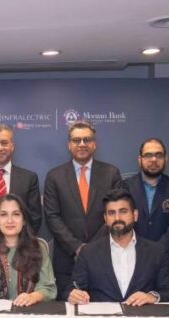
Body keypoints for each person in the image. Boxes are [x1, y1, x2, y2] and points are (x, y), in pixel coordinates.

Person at [43, 120, 124, 299]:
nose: (81, 144)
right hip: (66, 259)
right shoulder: (54, 176)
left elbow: (116, 214)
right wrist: (77, 247)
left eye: (86, 140)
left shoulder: (111, 173)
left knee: (104, 307)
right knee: (68, 306)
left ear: (94, 144)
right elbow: (52, 216)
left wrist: (92, 248)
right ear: (69, 145)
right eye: (76, 140)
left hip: (105, 255)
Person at [67, 189, 169, 305]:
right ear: (105, 218)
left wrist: (152, 297)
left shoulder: (156, 251)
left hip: (142, 315)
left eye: (123, 212)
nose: (117, 218)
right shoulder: (88, 252)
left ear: (135, 215)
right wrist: (74, 295)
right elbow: (72, 288)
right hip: (102, 316)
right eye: (111, 213)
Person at [0, 193, 56, 306]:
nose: (10, 220)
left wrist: (33, 296)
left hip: (29, 312)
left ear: (24, 220)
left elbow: (48, 288)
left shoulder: (38, 247)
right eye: (4, 215)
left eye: (16, 214)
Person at [125, 138, 169, 270]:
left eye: (158, 155)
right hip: (132, 258)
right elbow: (123, 221)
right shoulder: (126, 186)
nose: (153, 159)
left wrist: (158, 250)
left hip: (166, 260)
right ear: (140, 160)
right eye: (148, 155)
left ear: (166, 159)